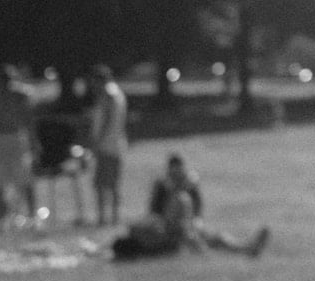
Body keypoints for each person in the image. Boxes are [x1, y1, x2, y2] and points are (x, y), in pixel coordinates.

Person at [111, 154, 268, 259]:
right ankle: (244, 249)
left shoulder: (190, 186)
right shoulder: (162, 187)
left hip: (186, 226)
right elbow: (154, 213)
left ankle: (246, 247)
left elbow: (197, 209)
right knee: (206, 242)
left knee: (216, 237)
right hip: (169, 229)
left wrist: (195, 220)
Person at [0, 65, 36, 223]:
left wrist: (33, 141)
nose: (4, 83)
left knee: (24, 178)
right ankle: (1, 218)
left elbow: (28, 120)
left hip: (16, 138)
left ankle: (32, 215)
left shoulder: (20, 95)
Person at [87, 64, 127, 226]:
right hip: (116, 144)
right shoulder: (117, 93)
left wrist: (97, 141)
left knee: (103, 184)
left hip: (107, 145)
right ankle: (112, 218)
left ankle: (106, 218)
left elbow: (107, 120)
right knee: (111, 183)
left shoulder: (109, 94)